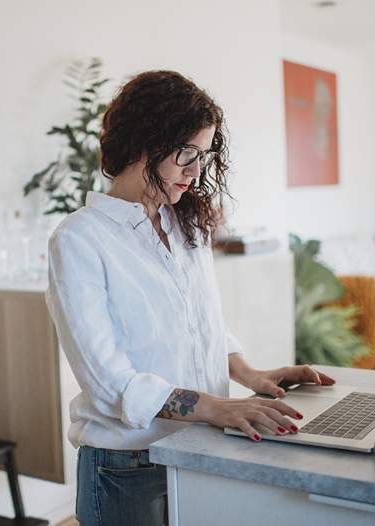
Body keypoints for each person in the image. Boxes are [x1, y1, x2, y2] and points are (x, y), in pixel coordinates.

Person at [45, 70, 335, 526]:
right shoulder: (80, 240)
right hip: (128, 468)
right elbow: (109, 383)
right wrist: (215, 407)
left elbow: (201, 324)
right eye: (186, 154)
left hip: (197, 449)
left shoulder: (184, 226)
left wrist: (247, 374)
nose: (196, 171)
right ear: (144, 142)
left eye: (203, 156)